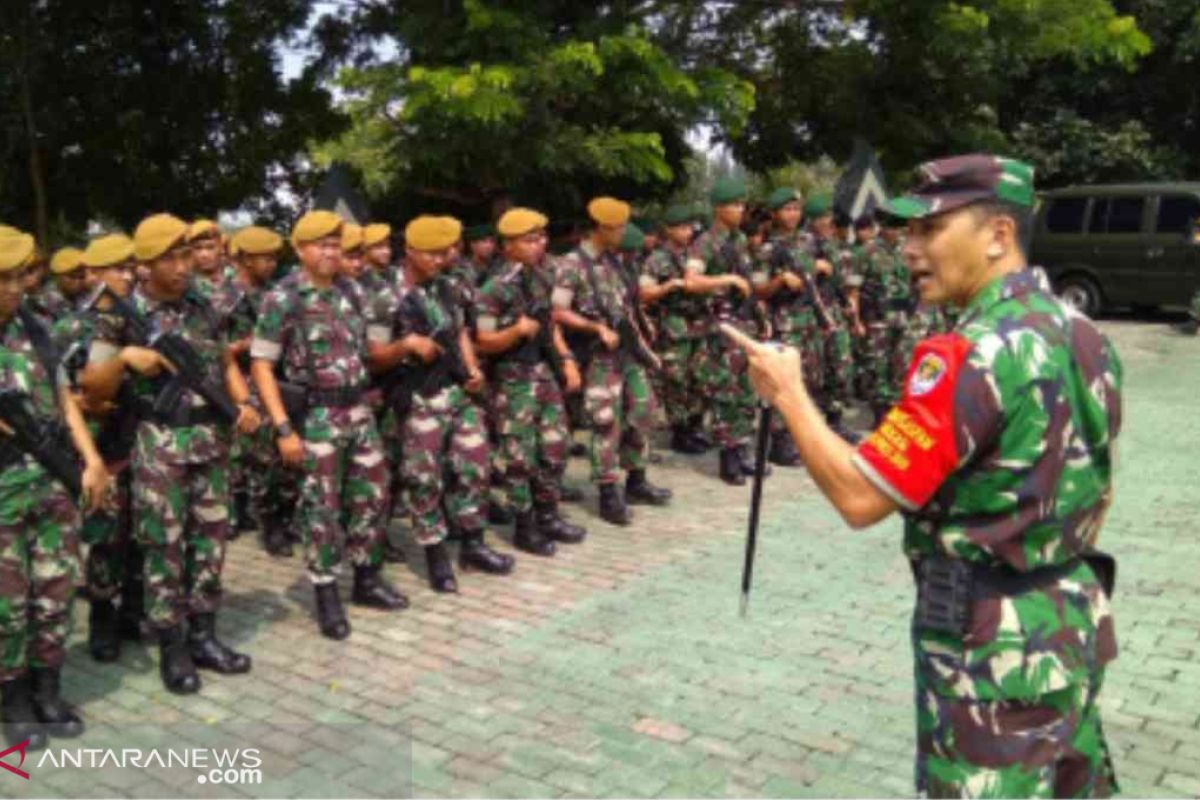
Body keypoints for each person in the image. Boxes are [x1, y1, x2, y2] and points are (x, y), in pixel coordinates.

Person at [724, 155, 1121, 798]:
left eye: (929, 230)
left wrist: (789, 394)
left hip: (992, 655)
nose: (910, 249)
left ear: (998, 235)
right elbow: (1094, 475)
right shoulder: (1081, 332)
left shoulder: (968, 354)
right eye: (908, 233)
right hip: (1070, 621)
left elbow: (859, 497)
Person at [83, 214, 261, 694]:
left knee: (210, 543)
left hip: (212, 441)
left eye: (186, 255)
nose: (182, 266)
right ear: (144, 263)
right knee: (163, 547)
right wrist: (122, 359)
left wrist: (242, 402)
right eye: (170, 257)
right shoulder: (116, 315)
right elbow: (90, 385)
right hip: (159, 444)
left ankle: (205, 635)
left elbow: (223, 359)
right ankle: (173, 646)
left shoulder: (202, 303)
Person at [251, 210, 407, 641]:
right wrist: (283, 429)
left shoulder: (353, 291)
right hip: (316, 418)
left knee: (372, 498)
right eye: (321, 244)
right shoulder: (284, 299)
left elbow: (371, 351)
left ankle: (366, 580)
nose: (330, 252)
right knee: (321, 509)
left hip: (359, 412)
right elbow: (262, 365)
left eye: (336, 245)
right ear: (300, 250)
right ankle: (325, 594)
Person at [0, 227, 108, 749]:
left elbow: (65, 401)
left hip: (52, 480)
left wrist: (90, 460)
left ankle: (48, 688)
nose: (14, 288)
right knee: (8, 602)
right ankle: (13, 698)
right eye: (4, 280)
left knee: (56, 591)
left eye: (16, 278)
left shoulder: (35, 328)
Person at [366, 216, 513, 592]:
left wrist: (472, 369)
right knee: (424, 477)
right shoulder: (386, 297)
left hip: (456, 391)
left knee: (475, 465)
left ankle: (473, 543)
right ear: (411, 252)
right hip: (415, 397)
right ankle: (435, 556)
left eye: (444, 252)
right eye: (431, 253)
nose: (439, 258)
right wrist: (405, 347)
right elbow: (373, 356)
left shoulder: (449, 287)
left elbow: (460, 331)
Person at [553, 198, 671, 526]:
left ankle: (636, 478)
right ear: (600, 228)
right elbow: (557, 311)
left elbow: (628, 308)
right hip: (597, 356)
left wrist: (646, 346)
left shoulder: (616, 263)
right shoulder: (571, 265)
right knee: (606, 421)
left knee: (643, 409)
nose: (623, 233)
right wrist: (594, 327)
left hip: (627, 352)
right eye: (617, 227)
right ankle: (608, 491)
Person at [475, 208, 585, 553]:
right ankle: (524, 526)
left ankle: (548, 515)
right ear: (508, 245)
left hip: (543, 371)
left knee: (555, 445)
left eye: (541, 238)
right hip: (513, 380)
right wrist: (516, 331)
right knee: (519, 456)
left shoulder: (539, 277)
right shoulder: (494, 288)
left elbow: (550, 324)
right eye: (530, 239)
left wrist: (566, 360)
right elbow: (483, 340)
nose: (540, 244)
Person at [687, 177, 765, 485]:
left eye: (742, 204)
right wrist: (727, 280)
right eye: (734, 204)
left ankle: (741, 449)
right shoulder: (705, 242)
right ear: (719, 208)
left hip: (744, 324)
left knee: (746, 391)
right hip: (721, 325)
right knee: (725, 392)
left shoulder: (739, 241)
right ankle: (728, 459)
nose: (740, 209)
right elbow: (692, 281)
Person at [640, 205, 707, 454]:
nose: (687, 232)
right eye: (681, 227)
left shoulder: (695, 255)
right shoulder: (656, 259)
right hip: (672, 325)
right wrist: (669, 286)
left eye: (690, 227)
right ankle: (679, 431)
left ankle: (694, 426)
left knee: (697, 376)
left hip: (698, 324)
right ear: (668, 230)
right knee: (676, 379)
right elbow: (645, 294)